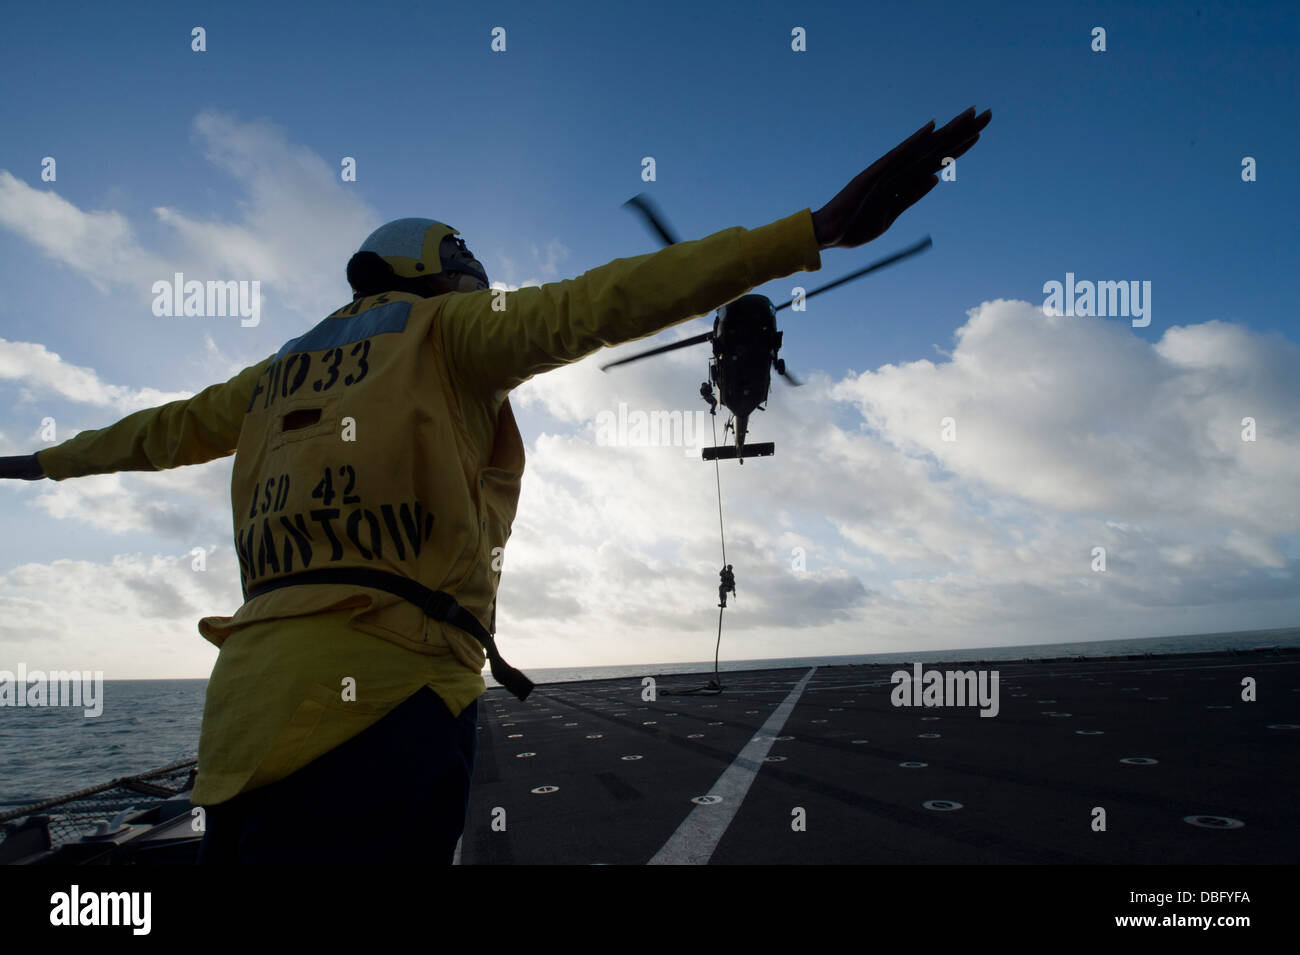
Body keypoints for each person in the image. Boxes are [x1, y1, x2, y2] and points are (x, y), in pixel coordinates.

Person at [0, 107, 992, 863]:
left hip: (248, 720)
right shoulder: (447, 332)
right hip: (392, 707)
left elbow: (153, 433)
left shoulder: (272, 374)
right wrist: (809, 230)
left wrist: (36, 462)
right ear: (445, 273)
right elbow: (605, 300)